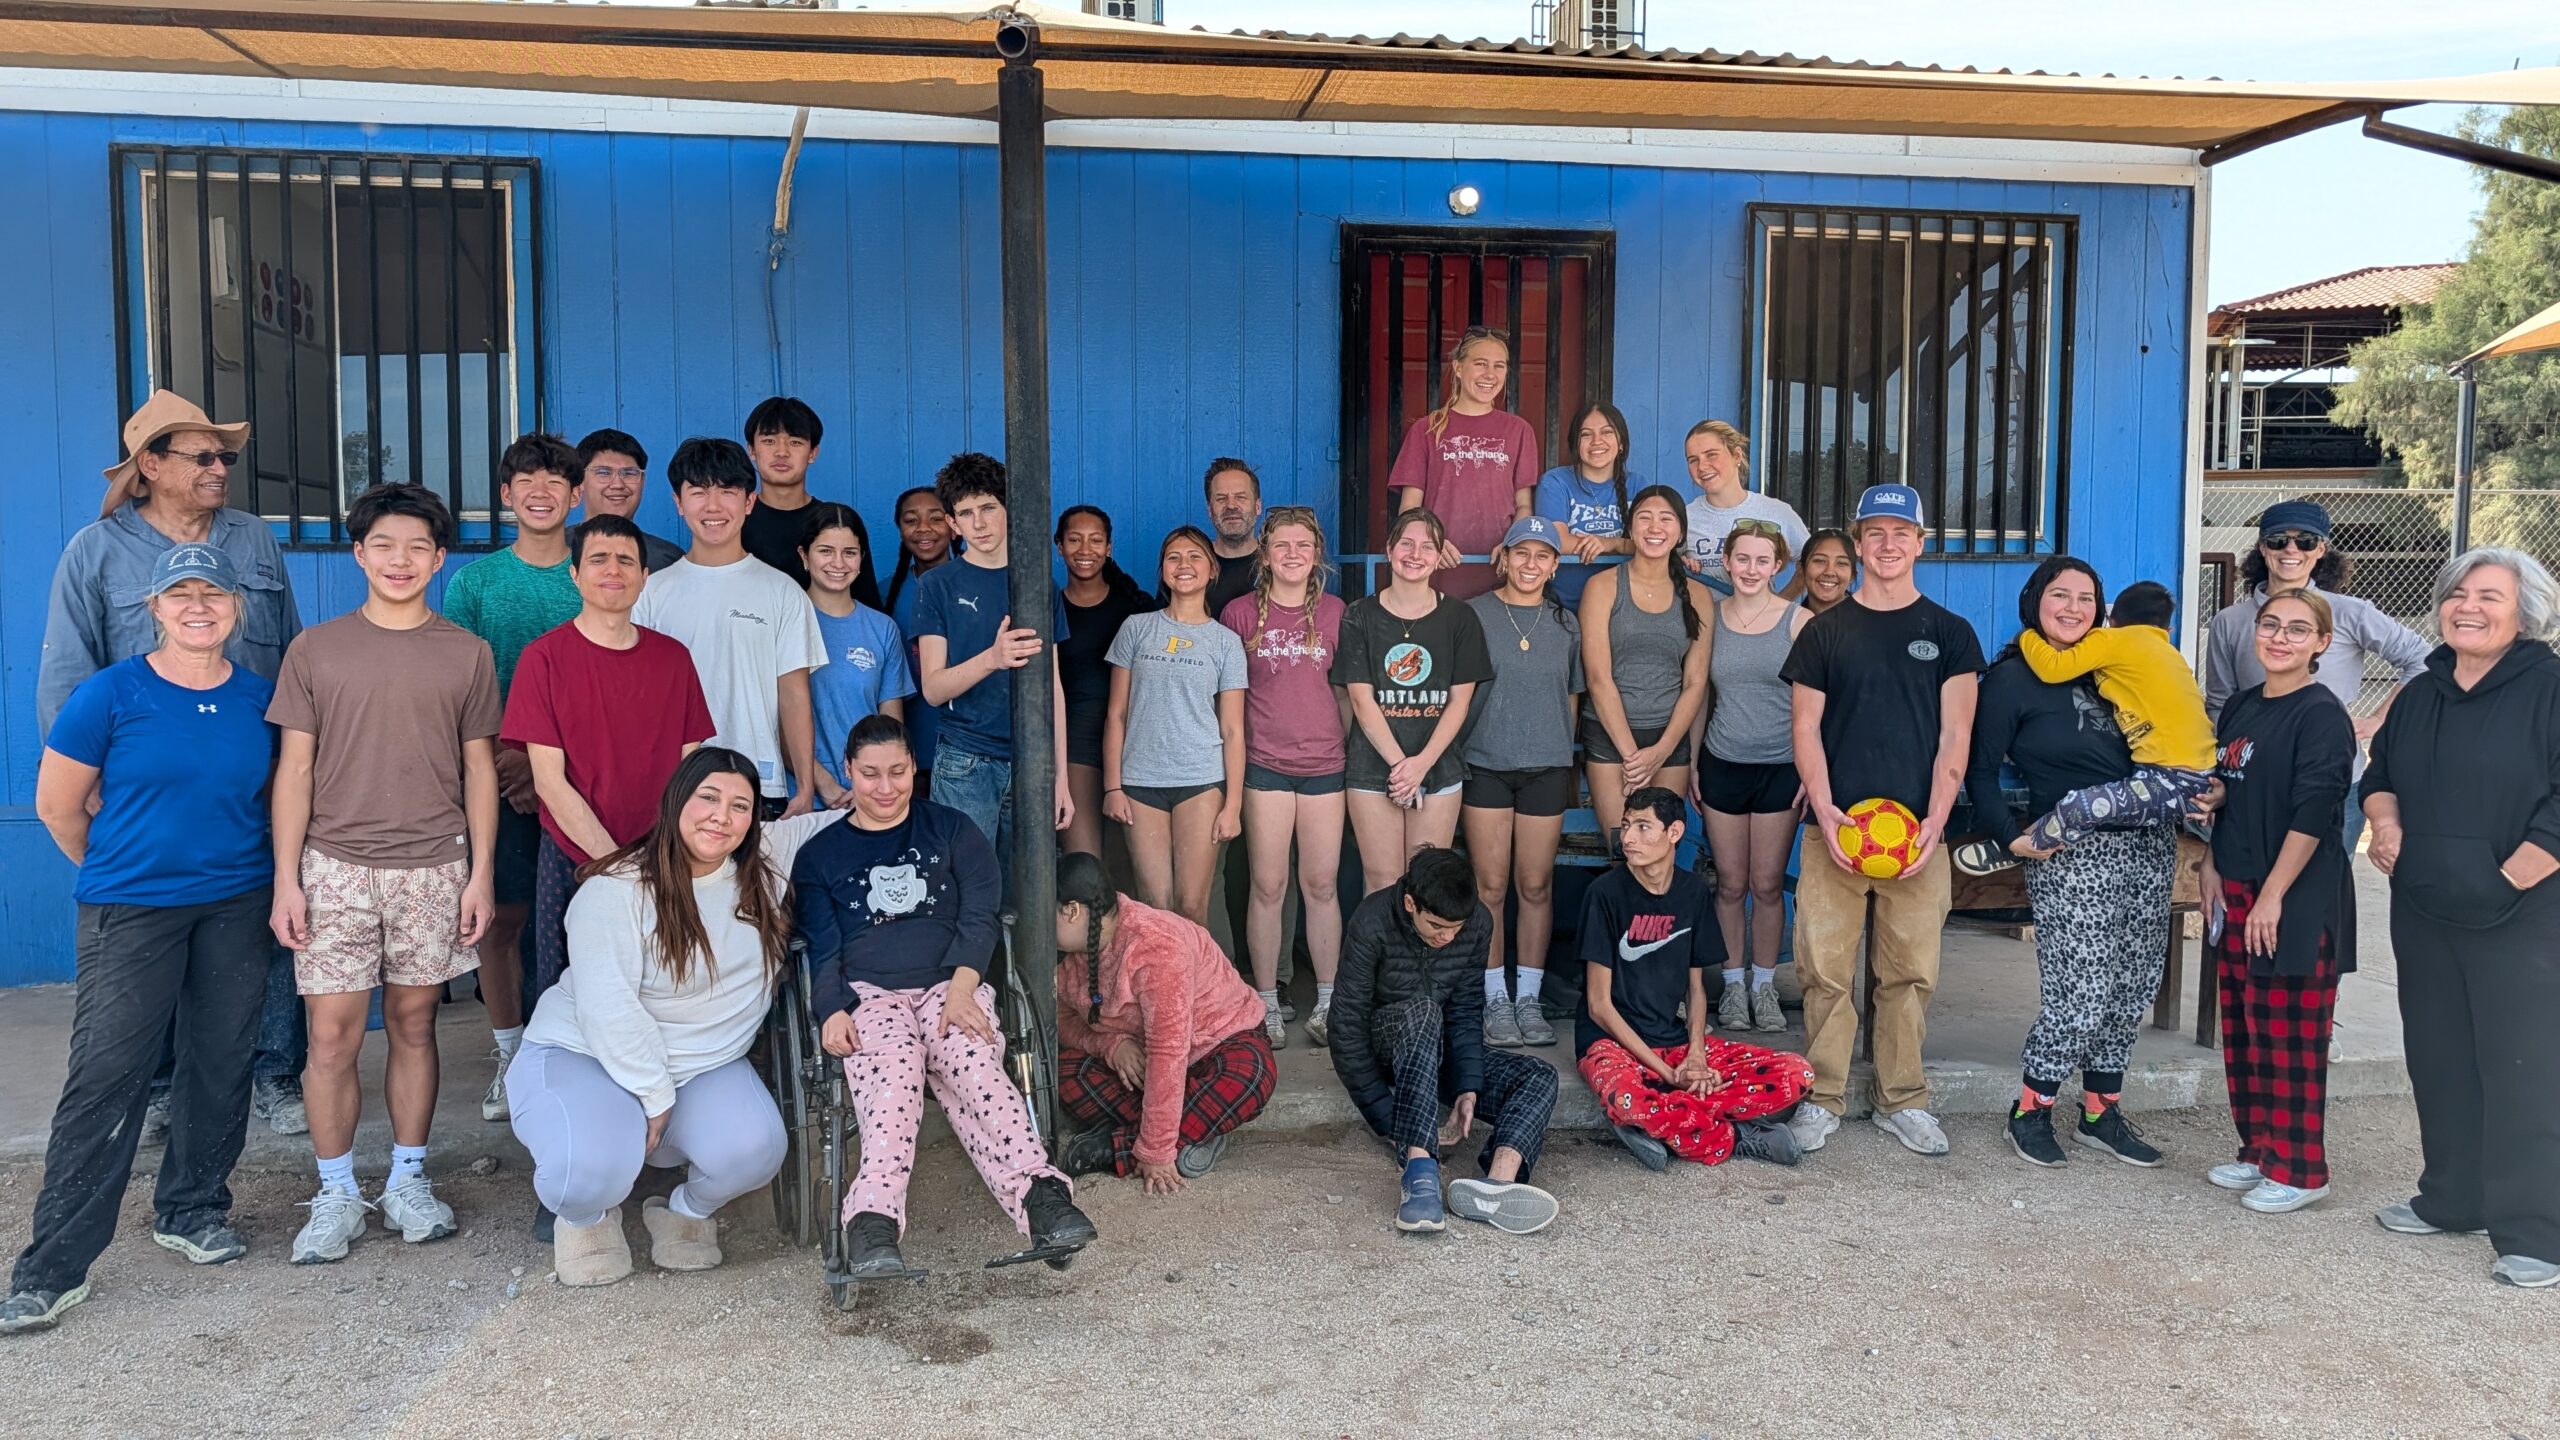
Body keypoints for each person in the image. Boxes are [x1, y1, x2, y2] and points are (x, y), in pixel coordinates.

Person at [3, 546, 278, 1335]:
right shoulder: (109, 693)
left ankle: (193, 1209)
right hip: (131, 908)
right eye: (180, 594)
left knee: (220, 1059)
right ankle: (51, 1267)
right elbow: (59, 807)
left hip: (236, 902)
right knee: (107, 1072)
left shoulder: (258, 699)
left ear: (235, 607)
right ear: (153, 608)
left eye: (213, 593)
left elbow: (271, 799)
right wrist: (122, 871)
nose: (198, 607)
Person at [41, 390, 307, 1142]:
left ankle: (273, 1072)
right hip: (145, 788)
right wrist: (87, 788)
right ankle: (159, 1087)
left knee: (265, 922)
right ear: (150, 466)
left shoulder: (253, 539)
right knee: (147, 943)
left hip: (253, 776)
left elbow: (291, 653)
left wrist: (300, 765)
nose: (220, 467)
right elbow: (67, 676)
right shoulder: (95, 551)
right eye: (203, 456)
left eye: (226, 457)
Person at [268, 484, 501, 1263]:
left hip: (433, 866)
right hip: (333, 867)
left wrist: (479, 874)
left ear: (439, 559)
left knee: (414, 1023)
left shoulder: (466, 653)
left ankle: (408, 1179)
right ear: (359, 554)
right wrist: (288, 879)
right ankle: (336, 1191)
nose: (401, 561)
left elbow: (479, 770)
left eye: (417, 548)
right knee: (331, 1038)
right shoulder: (315, 650)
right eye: (384, 546)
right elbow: (294, 770)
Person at [506, 747, 841, 1286]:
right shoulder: (616, 889)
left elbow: (861, 815)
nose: (721, 817)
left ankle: (682, 1212)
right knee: (584, 1173)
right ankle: (586, 1219)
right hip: (587, 1053)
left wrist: (892, 791)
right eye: (708, 798)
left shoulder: (765, 859)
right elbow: (607, 1008)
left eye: (740, 806)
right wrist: (655, 1095)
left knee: (755, 1151)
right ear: (676, 801)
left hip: (701, 1067)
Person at [790, 717, 1096, 1280]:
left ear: (915, 767)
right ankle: (873, 1220)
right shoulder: (820, 856)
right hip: (869, 993)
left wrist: (961, 990)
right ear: (849, 771)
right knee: (896, 1069)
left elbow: (981, 916)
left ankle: (1041, 1197)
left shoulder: (953, 831)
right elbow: (821, 945)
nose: (886, 787)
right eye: (870, 774)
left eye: (898, 771)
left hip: (949, 984)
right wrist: (830, 1008)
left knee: (974, 1063)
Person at [2362, 548, 2560, 1288]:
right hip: (2425, 908)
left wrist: (2506, 878)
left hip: (2524, 915)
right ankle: (2452, 1199)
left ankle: (2536, 1231)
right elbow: (2381, 774)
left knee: (2523, 1068)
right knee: (2440, 1058)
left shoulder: (2549, 689)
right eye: (2457, 594)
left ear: (2525, 613)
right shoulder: (2423, 691)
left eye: (2489, 596)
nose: (2468, 607)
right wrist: (2386, 826)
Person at [1781, 483, 1982, 1158]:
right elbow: (1804, 729)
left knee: (1909, 973)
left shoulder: (1950, 633)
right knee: (1824, 972)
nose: (1888, 544)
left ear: (1921, 543)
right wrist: (1825, 807)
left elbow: (1956, 736)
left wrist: (1935, 822)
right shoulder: (1824, 631)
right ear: (1859, 543)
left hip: (1919, 837)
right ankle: (1822, 1096)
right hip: (1834, 834)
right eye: (1875, 532)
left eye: (1901, 532)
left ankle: (1904, 1099)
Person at [1963, 558, 2174, 1170]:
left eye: (2087, 598)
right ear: (2035, 601)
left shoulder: (2115, 663)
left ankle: (2101, 1114)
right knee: (2081, 992)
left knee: (2132, 986)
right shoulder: (2012, 679)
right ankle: (2032, 1110)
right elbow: (1980, 769)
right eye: (2061, 595)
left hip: (2150, 841)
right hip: (2074, 849)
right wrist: (2010, 837)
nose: (2074, 608)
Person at [502, 513, 718, 1017]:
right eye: (598, 559)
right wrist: (618, 865)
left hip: (664, 854)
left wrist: (660, 857)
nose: (613, 570)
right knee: (569, 997)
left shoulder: (674, 659)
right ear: (575, 575)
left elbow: (690, 771)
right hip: (574, 856)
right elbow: (549, 782)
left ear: (645, 577)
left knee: (663, 989)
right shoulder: (543, 659)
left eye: (626, 560)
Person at [2198, 588, 2357, 1215]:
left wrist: (2272, 895)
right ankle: (2259, 1150)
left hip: (2294, 896)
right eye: (2270, 625)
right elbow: (2232, 791)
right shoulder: (2242, 705)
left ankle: (2301, 1168)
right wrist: (2211, 861)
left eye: (2297, 629)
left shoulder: (2321, 715)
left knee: (2291, 1035)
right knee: (2245, 1029)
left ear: (2322, 642)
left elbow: (2314, 810)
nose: (2280, 638)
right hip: (2238, 884)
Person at [443, 432, 587, 1124]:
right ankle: (511, 1054)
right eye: (526, 480)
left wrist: (549, 761)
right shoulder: (474, 583)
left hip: (584, 774)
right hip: (495, 771)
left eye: (555, 481)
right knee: (500, 918)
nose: (540, 492)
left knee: (581, 918)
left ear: (576, 495)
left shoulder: (593, 572)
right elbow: (458, 685)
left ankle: (576, 1053)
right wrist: (506, 760)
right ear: (505, 495)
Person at [1577, 788, 1811, 1171]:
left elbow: (1696, 988)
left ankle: (1661, 1123)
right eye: (1626, 826)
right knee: (1626, 1097)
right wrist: (1668, 1074)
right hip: (1612, 1045)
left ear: (1674, 832)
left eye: (1642, 827)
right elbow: (1598, 1006)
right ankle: (1736, 1135)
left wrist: (1696, 1055)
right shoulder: (1603, 894)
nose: (1628, 838)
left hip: (1673, 1041)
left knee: (1796, 1073)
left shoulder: (1693, 892)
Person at [1329, 847, 1560, 1235]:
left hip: (1439, 1049)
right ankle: (1420, 1171)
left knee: (1539, 1076)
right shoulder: (1371, 921)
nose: (1448, 936)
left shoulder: (1477, 922)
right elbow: (1346, 1029)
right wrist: (1392, 1122)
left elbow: (1466, 1009)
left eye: (1456, 927)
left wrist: (1468, 1087)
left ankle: (1497, 1185)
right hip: (1388, 1045)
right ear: (1410, 904)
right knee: (1424, 1011)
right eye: (1437, 925)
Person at [2203, 500, 2430, 854]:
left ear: (2321, 549)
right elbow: (2220, 704)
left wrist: (2377, 720)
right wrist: (2226, 771)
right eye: (2279, 540)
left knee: (2323, 878)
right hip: (2255, 778)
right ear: (2262, 547)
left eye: (2306, 541)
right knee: (2248, 875)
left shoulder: (2350, 613)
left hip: (2334, 779)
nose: (2291, 549)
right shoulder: (2230, 622)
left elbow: (2423, 660)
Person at [1054, 852, 1276, 1193]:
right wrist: (1111, 1045)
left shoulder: (1155, 943)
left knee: (1253, 1074)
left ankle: (1121, 1148)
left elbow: (1168, 1051)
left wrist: (1155, 1150)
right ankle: (1199, 1130)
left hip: (1215, 1045)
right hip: (1144, 1067)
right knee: (1065, 1072)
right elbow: (1061, 1021)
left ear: (1072, 911)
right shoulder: (1071, 957)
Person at [631, 437, 827, 820]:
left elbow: (794, 695)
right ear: (678, 502)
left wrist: (805, 788)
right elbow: (636, 696)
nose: (713, 506)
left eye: (727, 491)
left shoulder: (782, 591)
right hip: (674, 785)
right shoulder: (649, 592)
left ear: (749, 501)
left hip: (759, 785)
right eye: (698, 492)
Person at [1221, 505, 1347, 1048]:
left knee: (1321, 885)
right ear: (1265, 556)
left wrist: (1336, 745)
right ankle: (1266, 1002)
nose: (1293, 554)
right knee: (1268, 885)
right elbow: (1229, 699)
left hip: (1325, 766)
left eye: (1303, 546)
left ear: (1317, 555)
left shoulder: (1338, 612)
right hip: (1265, 766)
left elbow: (1345, 694)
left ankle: (1329, 1001)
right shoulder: (1239, 614)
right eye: (1282, 546)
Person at [911, 452, 1073, 872]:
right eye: (966, 513)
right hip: (965, 758)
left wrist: (1061, 778)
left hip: (1032, 759)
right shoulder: (937, 585)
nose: (979, 523)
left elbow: (1053, 687)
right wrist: (993, 658)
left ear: (1008, 510)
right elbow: (933, 688)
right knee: (966, 885)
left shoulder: (1039, 584)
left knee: (1029, 889)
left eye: (988, 508)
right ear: (953, 523)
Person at [1979, 579, 2214, 866]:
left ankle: (2022, 847)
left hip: (2167, 780)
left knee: (2081, 805)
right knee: (2098, 811)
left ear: (2111, 621)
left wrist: (2027, 636)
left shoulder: (2114, 640)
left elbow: (2053, 668)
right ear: (2169, 630)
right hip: (2198, 782)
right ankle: (2029, 841)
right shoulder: (2168, 654)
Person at [1462, 516, 1584, 1050]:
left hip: (1546, 766)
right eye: (1521, 553)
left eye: (1542, 555)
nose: (1531, 564)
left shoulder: (1565, 623)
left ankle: (1528, 996)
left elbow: (1573, 696)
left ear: (1554, 565)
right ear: (1504, 558)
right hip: (1485, 762)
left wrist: (1561, 753)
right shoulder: (1475, 614)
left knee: (1535, 885)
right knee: (1489, 887)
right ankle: (1495, 997)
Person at [1332, 509, 1492, 896]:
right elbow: (1361, 699)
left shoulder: (1460, 618)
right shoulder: (1359, 615)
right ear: (1389, 550)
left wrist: (1421, 765)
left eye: (1427, 547)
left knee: (1428, 884)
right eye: (1406, 544)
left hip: (1438, 766)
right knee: (1382, 882)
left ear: (1439, 558)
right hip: (1373, 768)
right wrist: (1401, 769)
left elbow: (1459, 702)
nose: (1415, 554)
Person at [1693, 519, 1810, 1033]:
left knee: (1766, 885)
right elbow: (1699, 694)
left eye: (1763, 560)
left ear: (1777, 566)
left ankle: (1764, 986)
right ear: (1727, 561)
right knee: (1730, 884)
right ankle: (1733, 987)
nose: (1751, 568)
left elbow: (1817, 705)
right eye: (1742, 558)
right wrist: (1692, 762)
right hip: (1722, 761)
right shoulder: (1711, 618)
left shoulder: (1798, 621)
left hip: (1780, 766)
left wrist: (1811, 770)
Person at [1104, 527, 1248, 933]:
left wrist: (1233, 805)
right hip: (1140, 782)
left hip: (1201, 781)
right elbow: (1116, 714)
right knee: (1154, 906)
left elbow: (1233, 729)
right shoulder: (1136, 628)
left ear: (1212, 569)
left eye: (1194, 556)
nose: (1184, 565)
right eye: (1173, 557)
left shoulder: (1225, 642)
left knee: (1192, 906)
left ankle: (1194, 978)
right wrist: (1112, 787)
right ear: (1163, 570)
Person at [1579, 486, 1713, 853]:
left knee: (1660, 852)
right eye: (1645, 518)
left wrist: (1660, 751)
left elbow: (1696, 682)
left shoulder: (1699, 596)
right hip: (1610, 738)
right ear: (1630, 528)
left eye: (1666, 518)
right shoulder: (1602, 586)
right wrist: (1632, 757)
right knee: (1623, 850)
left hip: (1669, 740)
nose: (1655, 527)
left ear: (1680, 532)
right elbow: (1598, 678)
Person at [1388, 327, 1539, 599]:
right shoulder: (1427, 428)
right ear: (1458, 368)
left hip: (1498, 574)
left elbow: (1524, 505)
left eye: (1499, 366)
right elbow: (1409, 508)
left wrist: (1512, 543)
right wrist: (1430, 541)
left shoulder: (1519, 430)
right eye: (1480, 363)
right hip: (1437, 570)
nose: (1490, 374)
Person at [1055, 504, 1157, 860]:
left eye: (1095, 540)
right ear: (1059, 547)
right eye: (1074, 540)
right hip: (1077, 745)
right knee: (1085, 865)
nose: (1085, 550)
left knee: (1130, 869)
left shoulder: (1135, 609)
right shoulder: (1047, 608)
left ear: (1109, 547)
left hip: (1135, 746)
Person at [800, 501, 915, 810]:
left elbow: (891, 727)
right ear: (804, 556)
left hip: (868, 796)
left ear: (861, 559)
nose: (838, 563)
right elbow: (772, 717)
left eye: (849, 552)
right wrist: (824, 784)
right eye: (825, 551)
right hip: (800, 796)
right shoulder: (784, 620)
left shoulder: (882, 628)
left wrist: (876, 787)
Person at [1534, 401, 1691, 608]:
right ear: (1575, 444)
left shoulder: (1636, 484)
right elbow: (1557, 541)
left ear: (1621, 443)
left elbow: (1652, 543)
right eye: (1586, 434)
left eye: (1607, 432)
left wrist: (1611, 544)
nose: (1596, 441)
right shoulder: (1555, 482)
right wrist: (1624, 545)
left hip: (1624, 605)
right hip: (1562, 604)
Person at [736, 396, 882, 606]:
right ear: (751, 450)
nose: (781, 452)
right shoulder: (735, 520)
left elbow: (866, 605)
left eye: (795, 442)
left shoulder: (836, 521)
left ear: (813, 453)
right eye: (769, 441)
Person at [1680, 421, 1808, 597]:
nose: (1702, 466)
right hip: (1703, 615)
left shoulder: (1777, 512)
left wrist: (1781, 604)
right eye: (1693, 460)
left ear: (1736, 456)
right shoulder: (1685, 518)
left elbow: (1813, 561)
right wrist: (1677, 564)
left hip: (1760, 614)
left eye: (1711, 455)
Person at [885, 486, 955, 790]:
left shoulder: (975, 585)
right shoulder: (886, 593)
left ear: (953, 524)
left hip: (968, 750)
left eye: (935, 518)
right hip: (908, 753)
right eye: (911, 520)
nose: (923, 528)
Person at [575, 428, 683, 573]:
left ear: (642, 481)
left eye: (629, 473)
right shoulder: (556, 550)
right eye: (604, 472)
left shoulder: (668, 561)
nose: (618, 484)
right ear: (579, 480)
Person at [1187, 458, 1266, 617]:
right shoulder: (1188, 565)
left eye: (1240, 497)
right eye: (1221, 498)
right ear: (1210, 510)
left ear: (1258, 506)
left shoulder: (1279, 564)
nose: (1231, 505)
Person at [1798, 528, 1858, 616]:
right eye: (1820, 561)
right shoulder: (1791, 620)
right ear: (1801, 569)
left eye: (1841, 563)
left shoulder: (1868, 621)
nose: (1829, 572)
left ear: (1852, 575)